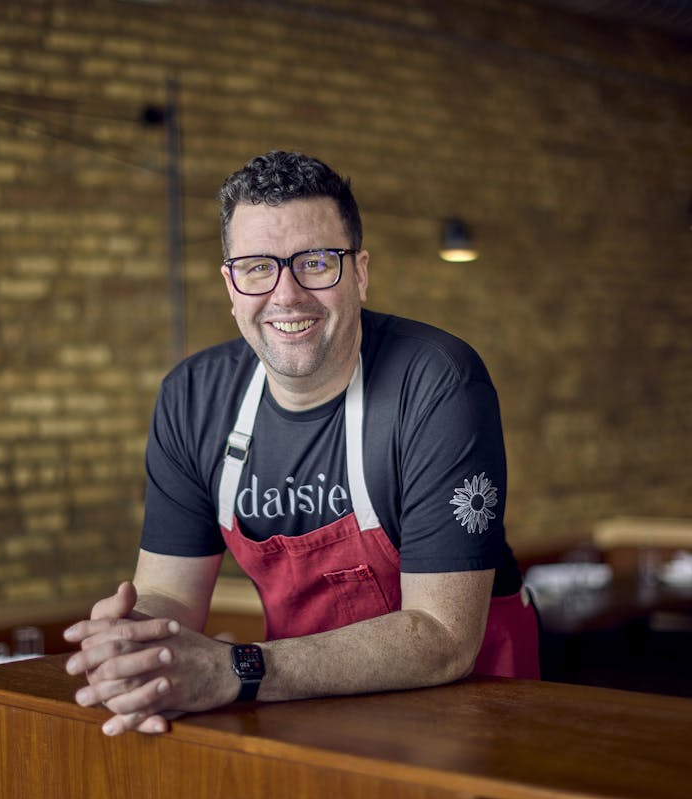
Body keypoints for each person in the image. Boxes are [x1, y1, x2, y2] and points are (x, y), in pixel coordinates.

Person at [64, 151, 539, 736]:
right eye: (258, 267)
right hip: (304, 699)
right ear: (231, 286)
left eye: (316, 262)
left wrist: (237, 669)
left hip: (473, 710)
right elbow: (168, 592)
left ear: (360, 273)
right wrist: (140, 641)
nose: (287, 295)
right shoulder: (192, 399)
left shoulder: (437, 382)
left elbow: (444, 638)